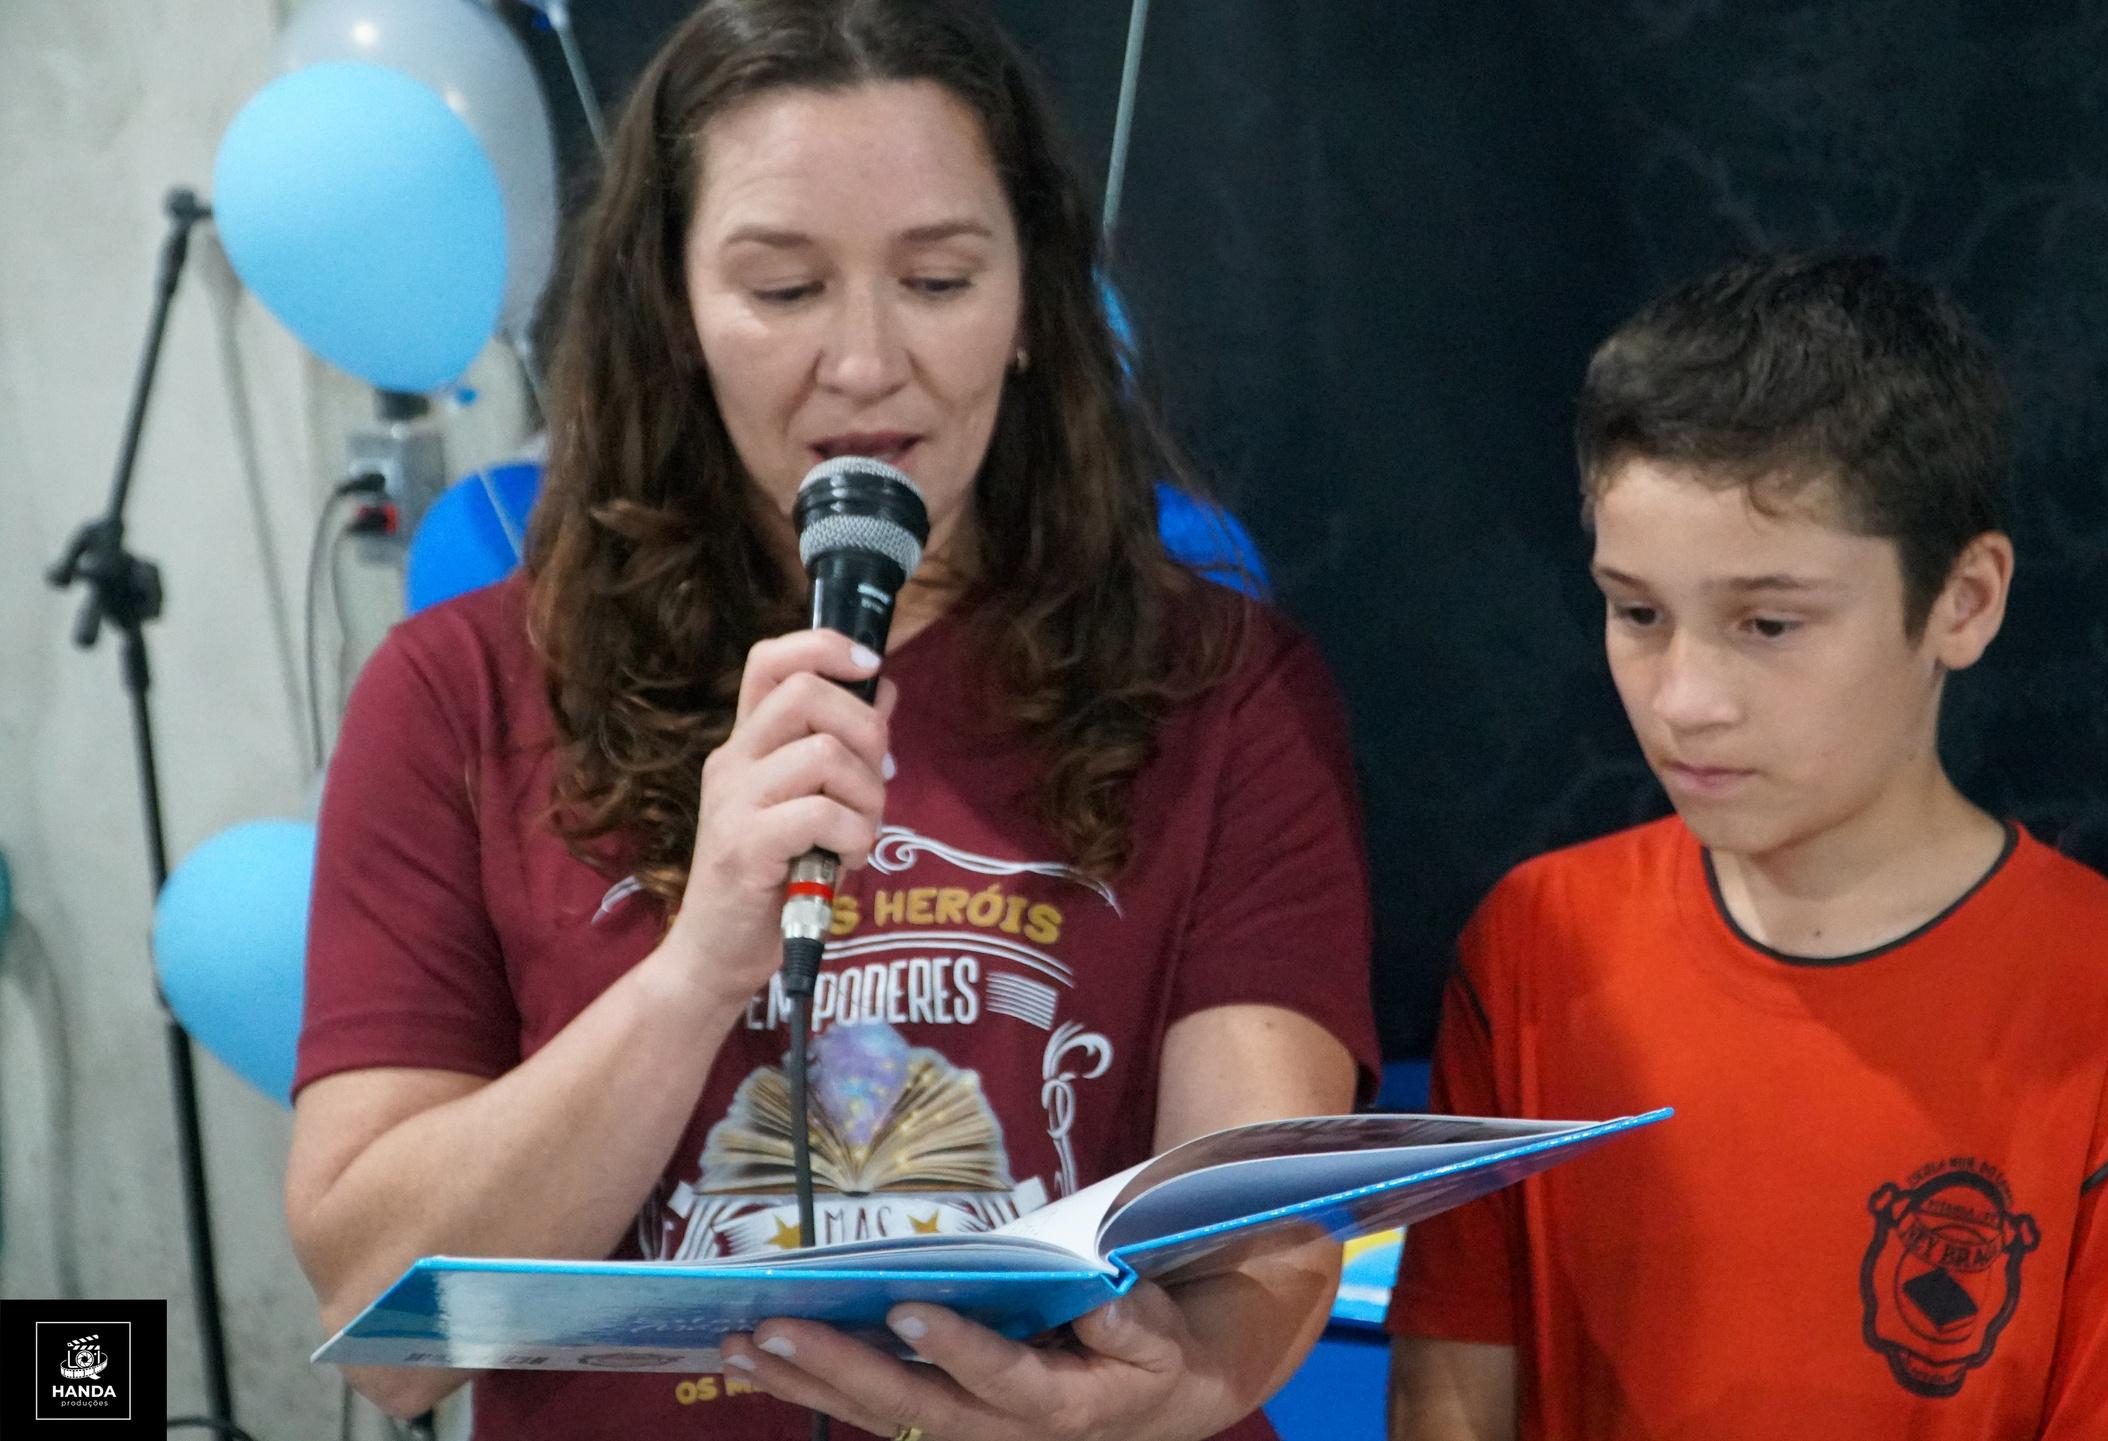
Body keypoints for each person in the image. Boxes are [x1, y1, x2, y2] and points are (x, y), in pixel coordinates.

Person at [284, 2, 1377, 1438]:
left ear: (1036, 304)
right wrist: (700, 964)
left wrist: (1173, 1393)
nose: (865, 364)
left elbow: (1252, 1231)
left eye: (936, 279)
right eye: (785, 290)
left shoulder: (1221, 685)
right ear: (673, 312)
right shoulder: (462, 691)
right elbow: (386, 1331)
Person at [1384, 255, 2108, 1439]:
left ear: (1962, 601)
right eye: (1637, 612)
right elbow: (1451, 1389)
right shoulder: (1537, 943)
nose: (1685, 698)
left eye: (1767, 624)